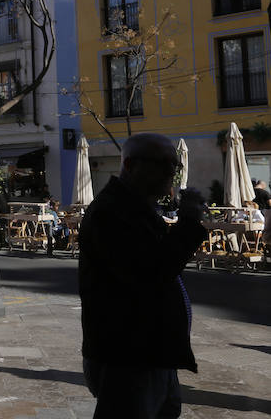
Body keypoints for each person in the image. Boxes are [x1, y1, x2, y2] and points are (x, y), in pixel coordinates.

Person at [79, 133, 207, 419]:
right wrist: (187, 224)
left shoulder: (138, 208)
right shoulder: (111, 212)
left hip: (153, 350)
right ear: (131, 164)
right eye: (163, 164)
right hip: (128, 354)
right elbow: (151, 272)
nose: (171, 172)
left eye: (175, 165)